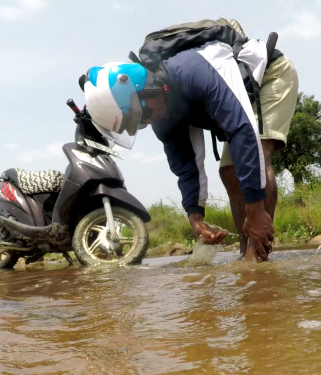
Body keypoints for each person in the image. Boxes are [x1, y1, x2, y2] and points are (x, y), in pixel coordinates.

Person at [81, 35, 298, 261]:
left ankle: (257, 256)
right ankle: (246, 253)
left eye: (143, 114)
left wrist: (255, 209)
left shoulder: (193, 71)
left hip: (269, 77)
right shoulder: (161, 117)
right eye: (140, 123)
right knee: (229, 173)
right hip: (241, 105)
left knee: (258, 154)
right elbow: (187, 167)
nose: (148, 121)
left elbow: (242, 131)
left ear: (149, 89)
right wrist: (196, 219)